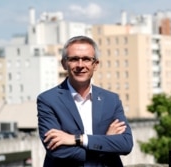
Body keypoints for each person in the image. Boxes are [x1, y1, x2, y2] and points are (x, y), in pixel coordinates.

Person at [37, 35, 133, 167]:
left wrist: (78, 139)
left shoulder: (111, 100)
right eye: (74, 59)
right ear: (64, 64)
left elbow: (125, 144)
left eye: (87, 59)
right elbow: (58, 150)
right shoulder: (48, 100)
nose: (80, 65)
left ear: (95, 64)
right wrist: (106, 143)